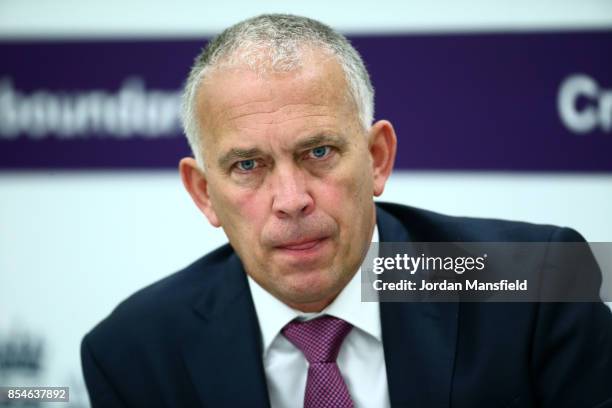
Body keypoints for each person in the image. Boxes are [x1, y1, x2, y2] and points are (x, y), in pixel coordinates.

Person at [81, 14, 612, 407]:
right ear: (202, 192)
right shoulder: (133, 352)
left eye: (318, 153)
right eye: (247, 165)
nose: (291, 200)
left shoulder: (540, 281)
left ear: (377, 158)